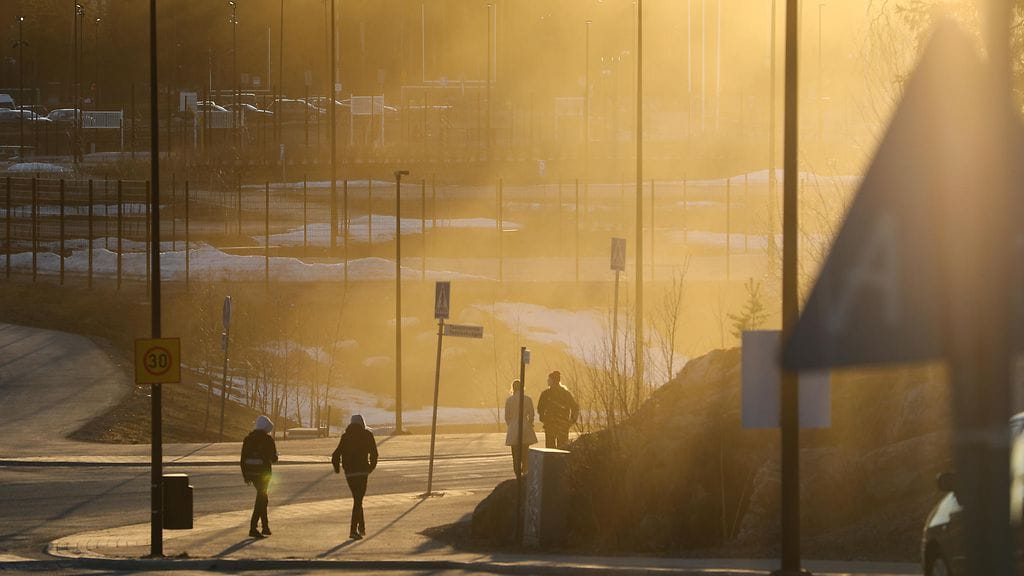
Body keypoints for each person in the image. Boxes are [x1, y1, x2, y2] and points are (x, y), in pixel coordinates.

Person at [332, 414, 379, 540]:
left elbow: (335, 455)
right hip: (362, 472)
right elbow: (374, 454)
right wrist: (370, 468)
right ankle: (353, 530)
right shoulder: (367, 435)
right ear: (362, 423)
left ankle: (362, 527)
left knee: (357, 499)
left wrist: (338, 469)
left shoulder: (345, 436)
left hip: (349, 473)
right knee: (358, 501)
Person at [240, 415, 278, 538]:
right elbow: (274, 458)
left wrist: (245, 475)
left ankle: (265, 527)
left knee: (263, 498)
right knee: (262, 499)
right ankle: (253, 527)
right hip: (264, 473)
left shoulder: (248, 439)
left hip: (251, 473)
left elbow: (242, 458)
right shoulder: (268, 440)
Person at [536, 370, 579, 450]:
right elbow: (575, 407)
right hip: (563, 425)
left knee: (550, 449)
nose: (547, 381)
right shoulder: (566, 394)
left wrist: (543, 418)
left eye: (549, 379)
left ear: (553, 381)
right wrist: (571, 421)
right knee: (562, 448)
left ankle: (551, 459)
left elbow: (540, 408)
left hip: (550, 424)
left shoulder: (546, 394)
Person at [504, 379, 538, 477]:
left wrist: (511, 424)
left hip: (513, 428)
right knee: (525, 453)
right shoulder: (527, 399)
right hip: (525, 426)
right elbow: (531, 414)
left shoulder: (509, 400)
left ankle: (517, 474)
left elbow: (507, 417)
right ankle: (525, 472)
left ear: (513, 388)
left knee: (515, 455)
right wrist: (530, 423)